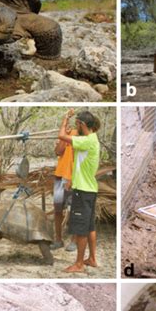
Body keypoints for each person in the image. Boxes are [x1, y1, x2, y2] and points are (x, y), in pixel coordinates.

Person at [58, 109, 100, 273]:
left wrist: (65, 119)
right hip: (89, 188)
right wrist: (71, 179)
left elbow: (61, 136)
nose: (76, 127)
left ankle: (79, 264)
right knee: (90, 227)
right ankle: (93, 259)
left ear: (82, 124)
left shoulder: (86, 141)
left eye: (77, 124)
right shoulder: (92, 138)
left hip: (82, 191)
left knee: (81, 229)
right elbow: (79, 162)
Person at [51, 121, 78, 252]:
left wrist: (73, 178)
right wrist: (63, 137)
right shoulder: (65, 134)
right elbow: (58, 152)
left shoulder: (82, 136)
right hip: (59, 175)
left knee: (74, 210)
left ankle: (74, 240)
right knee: (57, 209)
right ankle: (58, 239)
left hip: (74, 177)